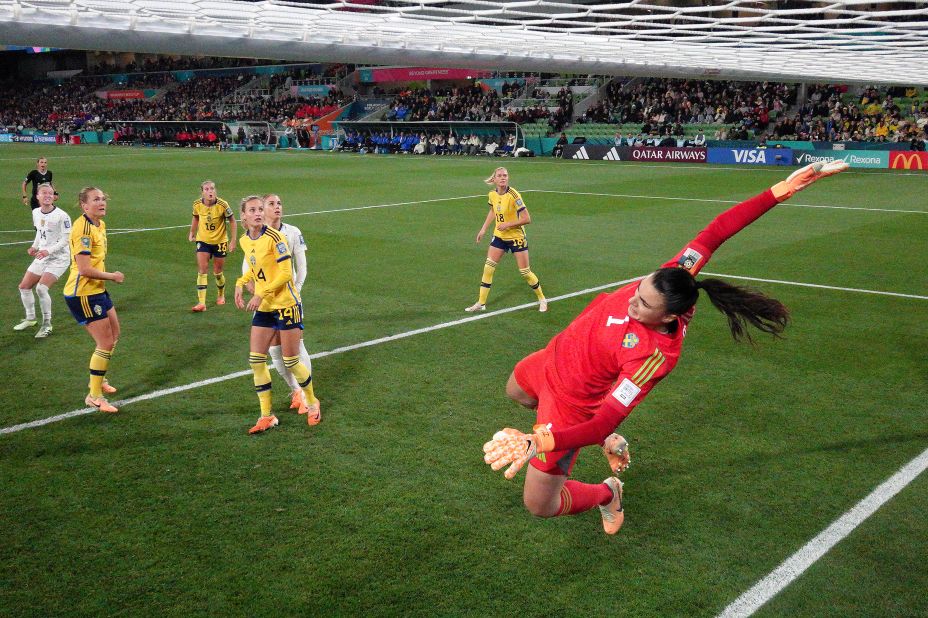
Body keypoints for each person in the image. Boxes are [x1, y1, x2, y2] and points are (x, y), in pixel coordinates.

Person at [482, 161, 849, 535]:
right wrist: (783, 189)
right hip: (551, 360)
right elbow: (719, 230)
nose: (631, 303)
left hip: (572, 406)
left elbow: (603, 421)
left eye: (643, 305)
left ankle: (608, 494)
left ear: (669, 318)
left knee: (540, 504)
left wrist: (539, 439)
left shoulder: (653, 356)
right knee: (516, 391)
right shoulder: (674, 278)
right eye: (638, 289)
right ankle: (607, 444)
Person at [234, 196, 320, 434]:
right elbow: (254, 267)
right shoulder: (244, 240)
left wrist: (262, 294)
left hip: (285, 304)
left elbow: (285, 274)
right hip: (265, 307)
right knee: (256, 360)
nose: (258, 213)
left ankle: (312, 403)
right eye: (253, 210)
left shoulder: (276, 237)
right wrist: (240, 283)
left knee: (292, 360)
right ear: (244, 216)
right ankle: (266, 416)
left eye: (260, 209)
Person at [62, 187, 125, 414]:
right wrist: (112, 276)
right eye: (96, 199)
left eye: (103, 198)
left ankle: (97, 381)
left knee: (114, 335)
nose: (102, 202)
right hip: (83, 293)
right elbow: (85, 269)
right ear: (84, 205)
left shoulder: (100, 224)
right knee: (105, 343)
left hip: (97, 290)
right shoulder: (83, 230)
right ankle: (94, 396)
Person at [466, 167, 547, 313]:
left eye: (505, 175)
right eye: (500, 176)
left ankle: (542, 299)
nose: (503, 178)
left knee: (525, 272)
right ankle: (481, 303)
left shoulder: (514, 195)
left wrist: (508, 224)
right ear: (495, 179)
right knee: (488, 267)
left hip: (516, 237)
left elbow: (527, 219)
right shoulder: (492, 195)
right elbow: (493, 211)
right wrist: (483, 229)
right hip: (499, 236)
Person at [13, 184, 72, 338]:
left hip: (59, 258)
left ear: (54, 196)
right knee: (24, 287)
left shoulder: (62, 215)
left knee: (41, 289)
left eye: (50, 193)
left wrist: (48, 251)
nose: (47, 195)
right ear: (37, 196)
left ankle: (47, 324)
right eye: (44, 193)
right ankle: (31, 318)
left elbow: (66, 240)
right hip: (42, 256)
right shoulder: (36, 212)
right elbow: (40, 232)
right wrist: (34, 246)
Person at [188, 180, 237, 312]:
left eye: (212, 189)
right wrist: (192, 232)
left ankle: (220, 295)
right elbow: (196, 217)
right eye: (207, 189)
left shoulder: (223, 204)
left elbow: (232, 221)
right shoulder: (197, 204)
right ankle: (201, 303)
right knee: (202, 269)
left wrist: (233, 240)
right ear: (202, 192)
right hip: (203, 240)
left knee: (217, 272)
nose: (210, 191)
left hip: (220, 242)